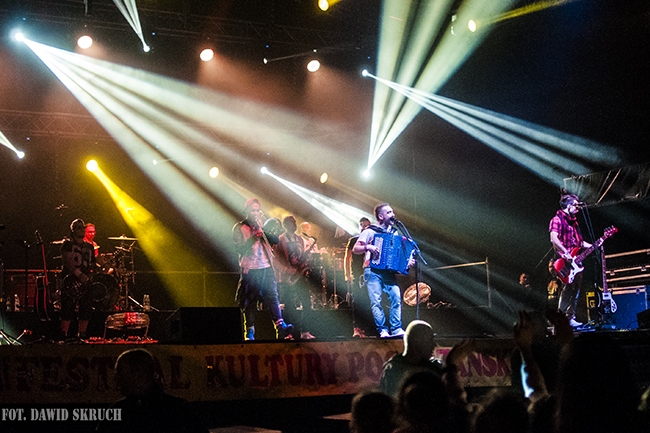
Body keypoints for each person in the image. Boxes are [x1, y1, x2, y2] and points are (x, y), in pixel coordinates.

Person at [96, 348, 208, 433]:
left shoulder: (118, 412)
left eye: (120, 372)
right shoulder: (180, 410)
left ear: (138, 374)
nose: (116, 379)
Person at [233, 198, 293, 341]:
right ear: (247, 211)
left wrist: (265, 230)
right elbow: (238, 248)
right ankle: (249, 331)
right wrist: (253, 238)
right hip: (250, 268)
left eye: (257, 211)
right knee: (250, 300)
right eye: (252, 211)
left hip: (266, 266)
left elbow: (275, 240)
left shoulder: (262, 226)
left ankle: (280, 326)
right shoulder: (240, 227)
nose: (255, 213)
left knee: (273, 296)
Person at [352, 203, 414, 337]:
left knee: (396, 296)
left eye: (392, 212)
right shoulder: (369, 231)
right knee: (376, 301)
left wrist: (406, 262)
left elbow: (397, 254)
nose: (393, 214)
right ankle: (383, 330)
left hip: (387, 271)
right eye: (389, 212)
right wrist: (368, 247)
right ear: (381, 216)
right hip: (372, 269)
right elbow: (355, 249)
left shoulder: (393, 232)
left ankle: (396, 329)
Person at [549, 192, 592, 328]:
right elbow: (554, 238)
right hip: (562, 260)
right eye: (575, 205)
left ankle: (570, 317)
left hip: (575, 261)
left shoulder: (574, 223)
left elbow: (579, 243)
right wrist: (566, 252)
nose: (578, 208)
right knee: (567, 288)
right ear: (568, 206)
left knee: (576, 289)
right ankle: (560, 319)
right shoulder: (557, 219)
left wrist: (594, 245)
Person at [274, 215, 316, 340]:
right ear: (285, 225)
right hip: (287, 277)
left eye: (295, 222)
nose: (295, 225)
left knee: (307, 303)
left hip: (299, 275)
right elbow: (274, 260)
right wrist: (286, 270)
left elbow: (303, 255)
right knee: (289, 305)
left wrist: (305, 263)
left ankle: (305, 332)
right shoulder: (280, 240)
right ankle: (289, 334)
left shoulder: (300, 239)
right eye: (292, 223)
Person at [59, 218, 96, 342]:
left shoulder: (89, 247)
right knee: (67, 309)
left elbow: (92, 264)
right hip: (70, 280)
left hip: (85, 281)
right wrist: (78, 274)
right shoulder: (68, 244)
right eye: (78, 227)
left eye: (83, 227)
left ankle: (82, 335)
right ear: (73, 230)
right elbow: (67, 261)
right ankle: (64, 335)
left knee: (86, 308)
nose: (82, 229)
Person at [345, 217, 372, 338]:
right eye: (362, 225)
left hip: (370, 275)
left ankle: (367, 328)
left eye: (367, 225)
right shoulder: (354, 240)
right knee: (357, 302)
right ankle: (357, 328)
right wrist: (347, 274)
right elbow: (347, 258)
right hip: (357, 274)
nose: (364, 227)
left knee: (370, 302)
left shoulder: (372, 240)